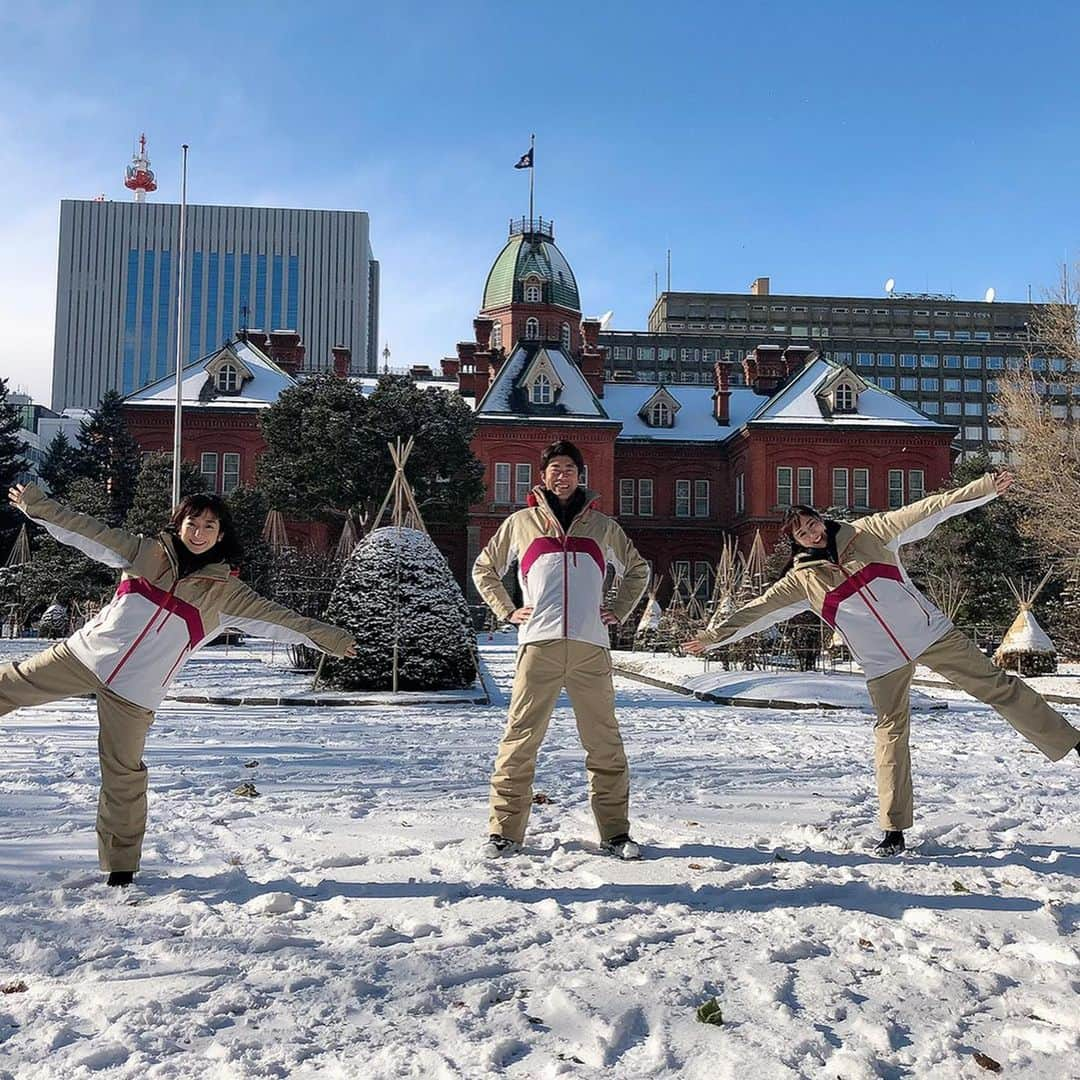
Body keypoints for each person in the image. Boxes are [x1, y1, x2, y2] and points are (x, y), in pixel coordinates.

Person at [683, 471, 1080, 856]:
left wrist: (985, 488)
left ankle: (1069, 740)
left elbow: (930, 508)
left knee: (998, 686)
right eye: (802, 532)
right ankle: (893, 828)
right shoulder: (801, 582)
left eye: (812, 523)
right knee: (890, 734)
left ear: (820, 517)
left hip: (929, 633)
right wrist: (712, 637)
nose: (812, 533)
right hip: (881, 660)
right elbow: (757, 611)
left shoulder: (871, 532)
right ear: (793, 541)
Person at [1, 483, 357, 887]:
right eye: (193, 523)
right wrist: (39, 506)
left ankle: (120, 867)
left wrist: (331, 638)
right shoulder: (144, 553)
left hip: (135, 692)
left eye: (209, 525)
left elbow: (283, 620)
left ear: (220, 535)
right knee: (7, 684)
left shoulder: (226, 594)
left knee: (124, 774)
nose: (199, 532)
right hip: (83, 658)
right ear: (179, 525)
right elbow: (87, 531)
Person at [473, 440, 650, 859]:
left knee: (604, 743)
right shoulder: (521, 522)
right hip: (539, 645)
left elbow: (638, 568)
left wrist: (619, 610)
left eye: (570, 467)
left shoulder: (603, 526)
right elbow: (485, 568)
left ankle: (615, 834)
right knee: (520, 739)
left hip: (591, 646)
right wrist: (508, 610)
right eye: (555, 468)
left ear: (579, 475)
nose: (562, 474)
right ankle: (504, 832)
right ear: (543, 476)